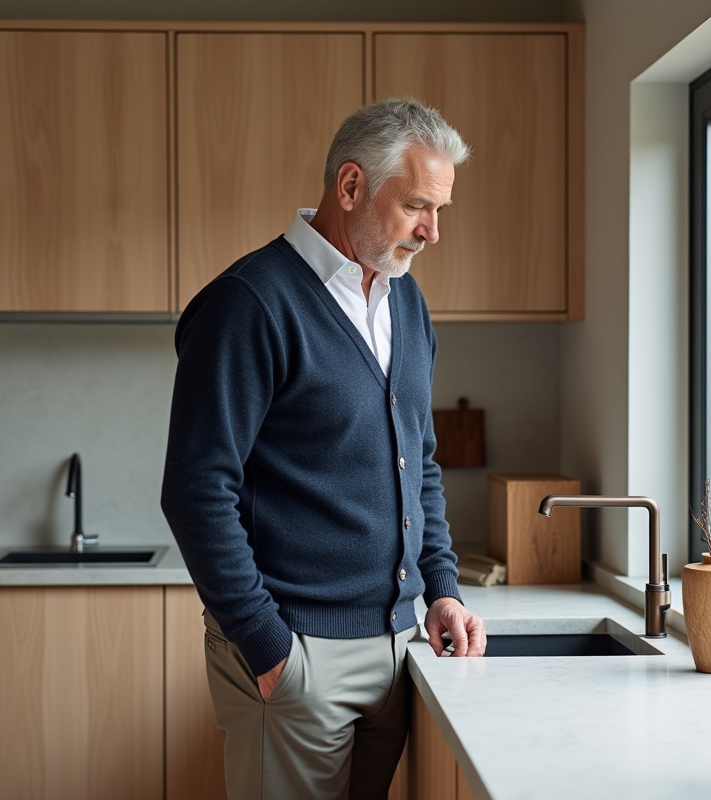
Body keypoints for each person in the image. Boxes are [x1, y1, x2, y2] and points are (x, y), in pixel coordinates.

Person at [161, 97, 487, 800]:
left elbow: (419, 461)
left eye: (441, 211)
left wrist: (442, 589)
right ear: (349, 187)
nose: (432, 232)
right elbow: (195, 488)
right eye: (417, 207)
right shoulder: (249, 303)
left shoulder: (406, 302)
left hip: (400, 647)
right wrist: (268, 646)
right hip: (297, 651)